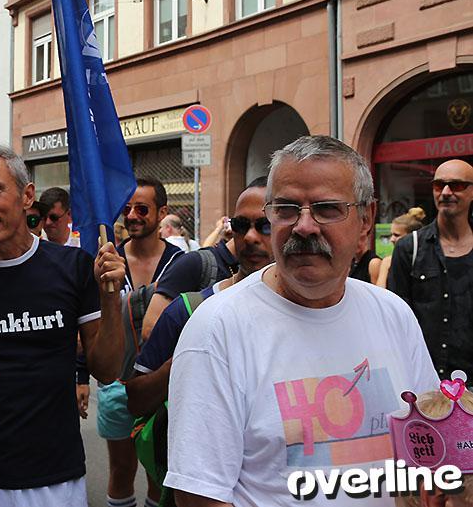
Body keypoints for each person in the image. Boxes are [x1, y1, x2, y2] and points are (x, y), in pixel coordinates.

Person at [165, 136, 438, 507]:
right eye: (287, 209)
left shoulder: (393, 313)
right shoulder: (217, 328)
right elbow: (201, 495)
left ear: (366, 220)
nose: (304, 226)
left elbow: (428, 443)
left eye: (326, 209)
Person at [0, 138, 126, 507]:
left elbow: (107, 370)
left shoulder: (73, 268)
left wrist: (110, 299)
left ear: (27, 195)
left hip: (56, 477)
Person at [126, 179, 273, 418]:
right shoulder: (190, 309)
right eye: (241, 225)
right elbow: (136, 401)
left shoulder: (313, 308)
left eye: (265, 225)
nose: (250, 237)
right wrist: (186, 359)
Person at [99, 177, 182, 507]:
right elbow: (91, 321)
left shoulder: (180, 263)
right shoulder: (110, 260)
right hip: (117, 385)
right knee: (120, 470)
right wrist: (80, 375)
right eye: (127, 209)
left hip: (164, 386)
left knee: (156, 471)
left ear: (162, 212)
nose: (132, 215)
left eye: (142, 208)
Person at [389, 160, 473, 380]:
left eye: (456, 185)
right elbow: (396, 323)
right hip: (426, 384)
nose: (446, 192)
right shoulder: (410, 248)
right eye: (439, 185)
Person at [376, 207, 425, 288]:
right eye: (391, 235)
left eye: (396, 235)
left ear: (410, 237)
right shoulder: (387, 262)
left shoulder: (428, 260)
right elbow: (380, 292)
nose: (391, 239)